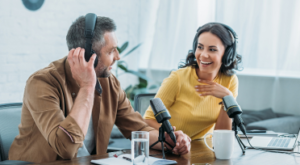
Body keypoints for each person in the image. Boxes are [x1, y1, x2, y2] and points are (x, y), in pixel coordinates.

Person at [8, 14, 190, 163]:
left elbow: (138, 129)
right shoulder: (42, 83)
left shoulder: (109, 83)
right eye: (111, 51)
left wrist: (168, 141)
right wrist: (87, 86)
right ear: (89, 55)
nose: (118, 57)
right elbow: (66, 148)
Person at [144, 23, 242, 140]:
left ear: (227, 54)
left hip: (203, 149)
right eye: (200, 47)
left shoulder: (230, 80)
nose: (203, 55)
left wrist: (227, 98)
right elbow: (148, 120)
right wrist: (174, 137)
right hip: (173, 147)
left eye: (212, 49)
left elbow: (222, 137)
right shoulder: (178, 78)